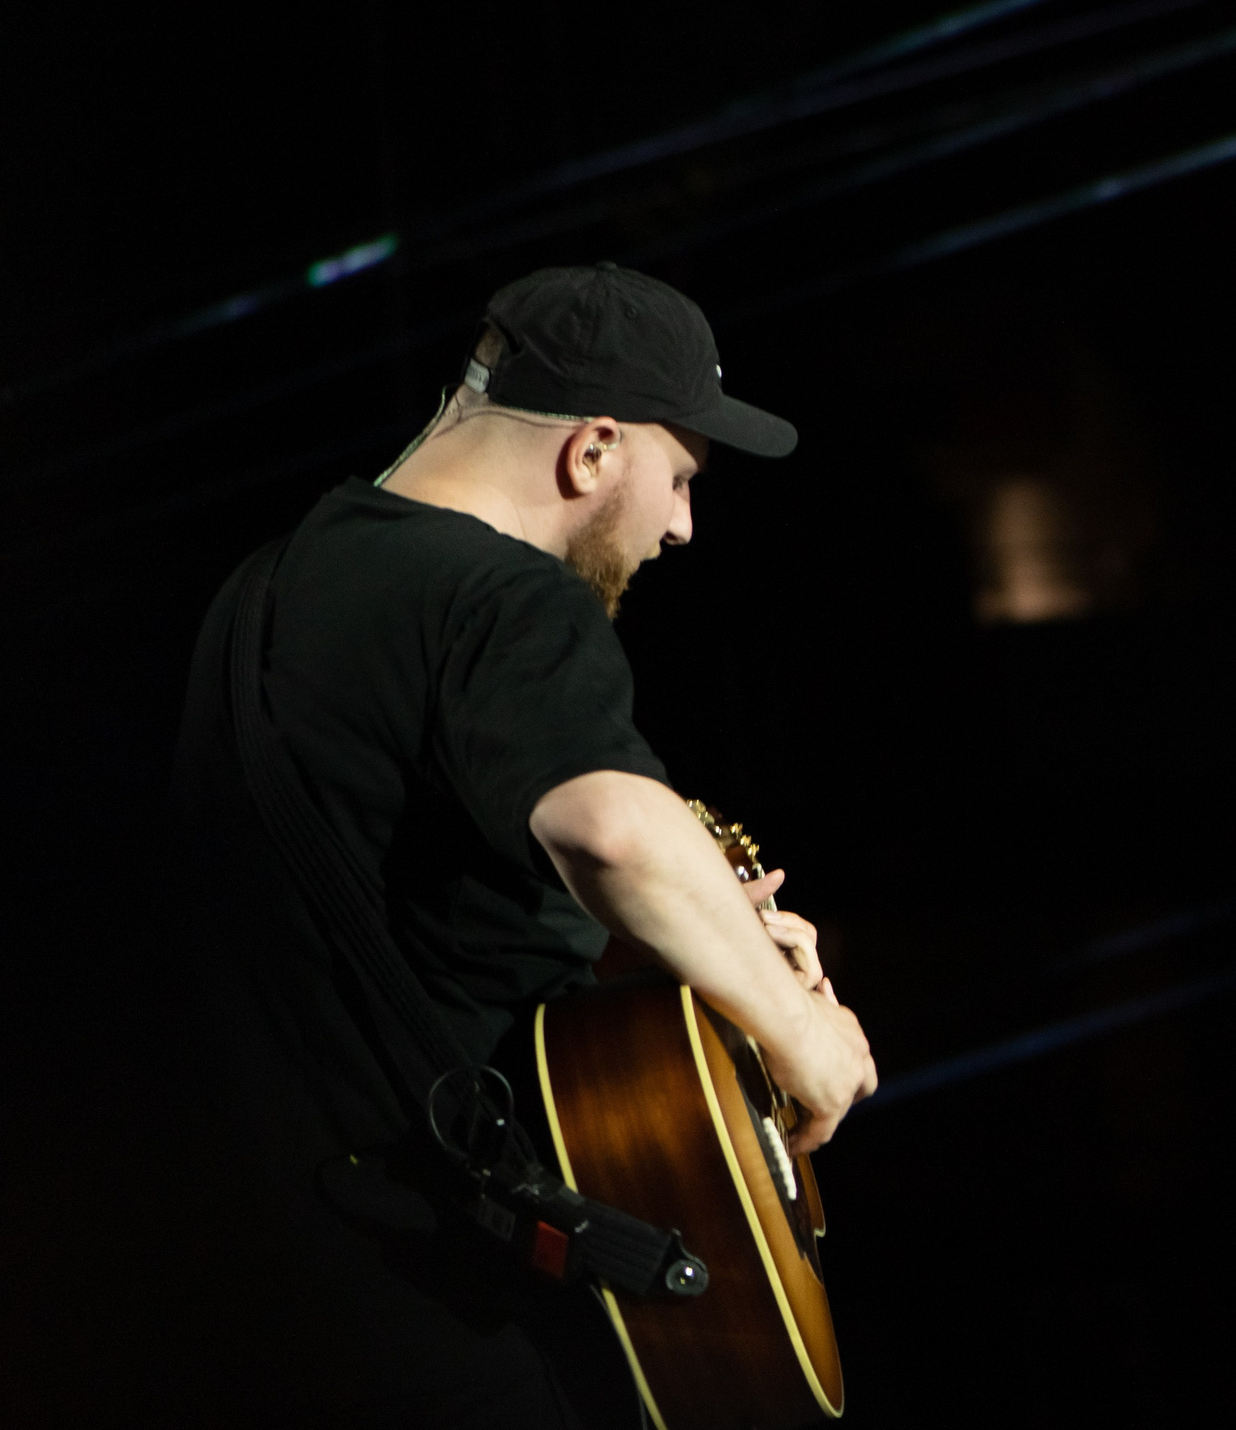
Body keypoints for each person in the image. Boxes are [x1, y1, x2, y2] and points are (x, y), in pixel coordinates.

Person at [166, 262, 876, 1428]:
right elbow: (613, 830)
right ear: (592, 450)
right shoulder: (505, 598)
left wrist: (669, 957)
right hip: (453, 1313)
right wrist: (802, 1036)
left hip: (261, 1307)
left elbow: (390, 933)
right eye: (681, 477)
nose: (683, 527)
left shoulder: (263, 595)